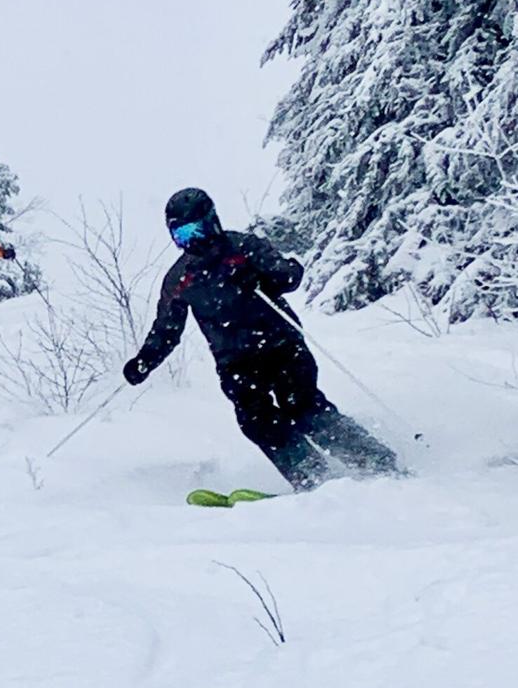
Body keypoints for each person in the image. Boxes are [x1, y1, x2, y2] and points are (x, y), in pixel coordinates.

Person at [123, 188, 399, 491]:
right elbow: (167, 329)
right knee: (256, 421)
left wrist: (260, 277)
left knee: (303, 409)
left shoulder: (242, 248)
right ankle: (311, 476)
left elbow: (291, 274)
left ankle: (378, 464)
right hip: (235, 362)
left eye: (195, 231)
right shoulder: (180, 277)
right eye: (181, 236)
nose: (192, 242)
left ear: (212, 222)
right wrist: (144, 361)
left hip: (281, 346)